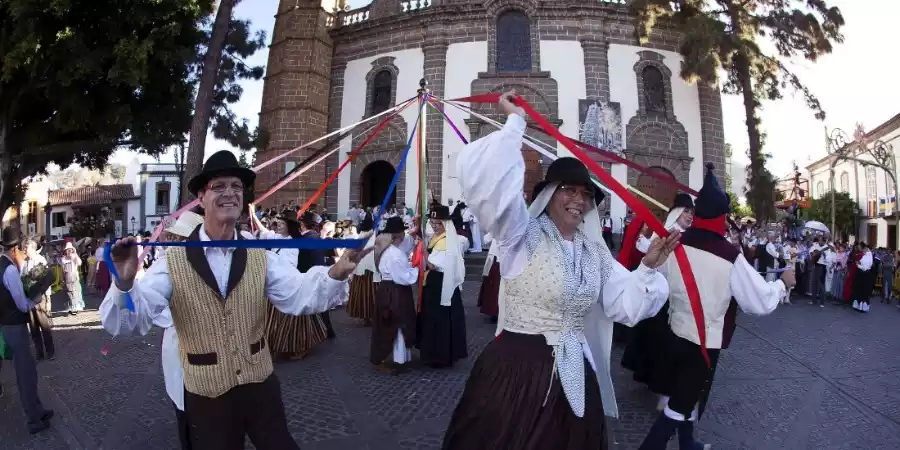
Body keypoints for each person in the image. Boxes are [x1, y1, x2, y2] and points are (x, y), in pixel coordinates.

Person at [442, 92, 678, 449]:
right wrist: (515, 124)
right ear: (548, 194)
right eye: (568, 190)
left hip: (576, 372)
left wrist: (646, 267)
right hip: (516, 370)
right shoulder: (520, 235)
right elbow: (496, 192)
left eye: (585, 194)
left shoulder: (595, 253)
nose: (577, 200)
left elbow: (622, 306)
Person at [99, 150, 372, 449]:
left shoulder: (258, 253)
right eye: (219, 187)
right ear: (201, 198)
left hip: (260, 385)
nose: (229, 193)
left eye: (236, 187)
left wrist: (337, 271)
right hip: (207, 394)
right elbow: (132, 321)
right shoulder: (172, 261)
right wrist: (124, 285)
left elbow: (298, 294)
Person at [638, 164, 794, 450]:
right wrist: (783, 283)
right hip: (702, 344)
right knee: (679, 404)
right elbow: (758, 301)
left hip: (673, 334)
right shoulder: (729, 255)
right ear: (722, 216)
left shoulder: (676, 243)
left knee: (684, 395)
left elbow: (655, 275)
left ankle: (688, 444)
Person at [621, 192, 694, 407]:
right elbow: (647, 253)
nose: (690, 216)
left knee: (660, 343)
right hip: (659, 295)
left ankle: (656, 381)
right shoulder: (666, 232)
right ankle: (659, 387)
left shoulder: (687, 236)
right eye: (687, 211)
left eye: (692, 212)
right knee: (657, 342)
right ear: (678, 212)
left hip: (674, 296)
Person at [0, 227, 55, 434]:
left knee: (28, 370)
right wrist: (37, 297)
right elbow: (22, 304)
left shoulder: (2, 265)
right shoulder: (10, 270)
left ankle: (38, 409)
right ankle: (33, 419)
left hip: (8, 326)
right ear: (15, 249)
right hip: (14, 326)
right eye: (22, 249)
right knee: (26, 374)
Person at [157, 210, 205, 449]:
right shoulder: (168, 266)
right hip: (179, 349)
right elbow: (155, 309)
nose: (176, 242)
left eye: (181, 238)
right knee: (184, 407)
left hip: (205, 356)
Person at [417, 204, 469, 368]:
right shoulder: (436, 237)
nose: (434, 226)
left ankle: (440, 355)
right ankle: (433, 352)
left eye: (437, 223)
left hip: (441, 284)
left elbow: (433, 265)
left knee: (440, 319)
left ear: (445, 223)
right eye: (432, 223)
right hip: (433, 284)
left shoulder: (447, 241)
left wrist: (423, 251)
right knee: (432, 318)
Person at [370, 217, 419, 374]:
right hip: (395, 291)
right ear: (399, 235)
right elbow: (403, 277)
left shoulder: (385, 250)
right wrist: (417, 269)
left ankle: (398, 357)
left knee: (391, 323)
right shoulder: (395, 254)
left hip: (387, 289)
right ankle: (394, 358)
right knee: (396, 323)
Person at [21, 239, 55, 360]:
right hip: (29, 299)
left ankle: (50, 352)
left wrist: (48, 299)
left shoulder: (40, 260)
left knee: (44, 327)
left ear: (32, 248)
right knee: (34, 328)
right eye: (23, 248)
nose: (24, 250)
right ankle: (39, 352)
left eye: (26, 248)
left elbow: (47, 281)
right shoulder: (25, 262)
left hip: (40, 299)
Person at [347, 217, 379, 326]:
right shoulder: (374, 236)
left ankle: (364, 317)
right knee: (371, 293)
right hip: (371, 270)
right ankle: (372, 316)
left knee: (361, 293)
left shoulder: (360, 236)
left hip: (360, 269)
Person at [60, 241, 85, 315]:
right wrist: (61, 279)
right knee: (69, 293)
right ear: (65, 251)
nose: (69, 251)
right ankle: (71, 308)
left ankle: (76, 307)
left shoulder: (74, 257)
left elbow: (80, 263)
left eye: (70, 250)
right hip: (67, 277)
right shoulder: (63, 259)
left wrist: (75, 255)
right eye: (67, 250)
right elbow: (62, 270)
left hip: (74, 277)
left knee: (76, 292)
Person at [852, 242, 874, 312]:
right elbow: (860, 262)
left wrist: (858, 265)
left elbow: (865, 267)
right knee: (859, 289)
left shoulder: (869, 255)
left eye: (860, 247)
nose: (860, 249)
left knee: (864, 290)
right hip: (860, 274)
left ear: (864, 248)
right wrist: (858, 263)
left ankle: (863, 307)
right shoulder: (864, 255)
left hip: (865, 274)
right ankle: (858, 306)